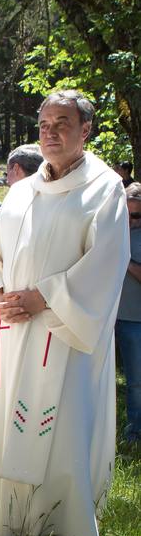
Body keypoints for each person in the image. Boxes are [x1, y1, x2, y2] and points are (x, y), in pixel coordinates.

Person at [0, 90, 129, 536]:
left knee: (62, 431)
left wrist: (43, 297)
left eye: (62, 123)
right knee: (0, 422)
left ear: (85, 130)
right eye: (44, 123)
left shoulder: (103, 189)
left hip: (63, 333)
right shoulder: (21, 191)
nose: (50, 132)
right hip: (12, 334)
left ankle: (64, 535)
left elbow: (105, 264)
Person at [116, 182, 141, 443]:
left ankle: (135, 431)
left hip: (136, 320)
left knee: (136, 381)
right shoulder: (111, 233)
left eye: (136, 215)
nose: (131, 221)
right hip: (110, 318)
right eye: (126, 214)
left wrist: (125, 260)